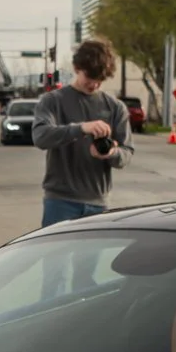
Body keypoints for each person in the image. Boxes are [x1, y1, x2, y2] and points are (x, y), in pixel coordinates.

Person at [30, 37, 133, 227]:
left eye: (99, 79)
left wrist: (111, 153)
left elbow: (127, 153)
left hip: (99, 204)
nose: (94, 84)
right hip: (60, 202)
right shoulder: (53, 101)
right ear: (76, 68)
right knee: (56, 248)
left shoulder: (115, 107)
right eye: (89, 77)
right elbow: (40, 137)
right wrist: (81, 128)